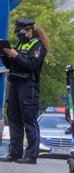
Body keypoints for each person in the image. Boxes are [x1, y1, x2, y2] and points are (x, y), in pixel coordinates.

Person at [0, 19, 49, 164]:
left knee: (29, 119)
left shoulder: (38, 45)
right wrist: (5, 54)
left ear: (29, 30)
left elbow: (31, 65)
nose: (19, 35)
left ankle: (31, 155)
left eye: (21, 32)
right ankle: (15, 153)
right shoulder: (20, 44)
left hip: (28, 84)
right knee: (13, 116)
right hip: (15, 83)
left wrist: (15, 55)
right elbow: (11, 64)